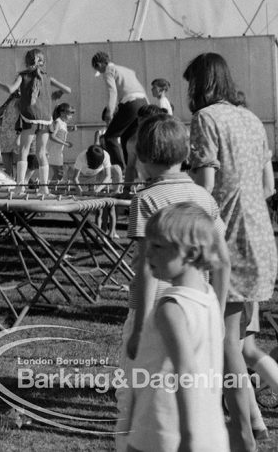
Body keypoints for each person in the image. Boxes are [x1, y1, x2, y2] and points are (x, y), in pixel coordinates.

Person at [114, 115, 229, 451]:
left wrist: (136, 329)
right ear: (185, 154)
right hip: (199, 301)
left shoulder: (145, 199)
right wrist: (217, 309)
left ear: (143, 158)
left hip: (158, 307)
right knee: (194, 375)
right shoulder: (203, 197)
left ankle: (136, 440)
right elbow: (222, 258)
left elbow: (146, 268)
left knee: (140, 381)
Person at [184, 51, 276, 452]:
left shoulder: (206, 120)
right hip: (260, 237)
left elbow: (205, 188)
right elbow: (270, 185)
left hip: (228, 239)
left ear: (201, 84)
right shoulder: (252, 119)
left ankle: (242, 435)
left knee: (224, 342)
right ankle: (252, 422)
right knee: (238, 342)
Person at [125, 203, 228, 452]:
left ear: (190, 253)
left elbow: (187, 373)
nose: (147, 255)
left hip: (165, 434)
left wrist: (188, 437)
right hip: (211, 429)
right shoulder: (208, 296)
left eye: (158, 247)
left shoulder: (172, 308)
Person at [0, 48, 71, 196]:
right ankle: (44, 188)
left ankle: (19, 187)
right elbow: (68, 90)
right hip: (45, 118)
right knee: (41, 153)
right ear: (42, 62)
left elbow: (10, 89)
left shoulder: (23, 76)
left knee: (23, 151)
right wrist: (56, 94)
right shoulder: (47, 77)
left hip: (30, 117)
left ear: (26, 61)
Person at [91, 51, 148, 188]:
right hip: (142, 102)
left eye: (97, 69)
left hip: (130, 102)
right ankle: (132, 173)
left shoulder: (108, 70)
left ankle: (120, 170)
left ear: (99, 64)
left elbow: (113, 91)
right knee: (127, 139)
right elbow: (140, 88)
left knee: (109, 137)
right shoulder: (127, 70)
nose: (100, 71)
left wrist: (110, 111)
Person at [47, 102, 75, 182]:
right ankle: (49, 189)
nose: (71, 117)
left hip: (58, 152)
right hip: (53, 152)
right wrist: (65, 143)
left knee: (58, 174)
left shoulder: (63, 123)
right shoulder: (58, 122)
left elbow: (60, 133)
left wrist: (70, 130)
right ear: (62, 113)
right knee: (59, 173)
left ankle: (50, 189)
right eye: (69, 114)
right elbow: (52, 136)